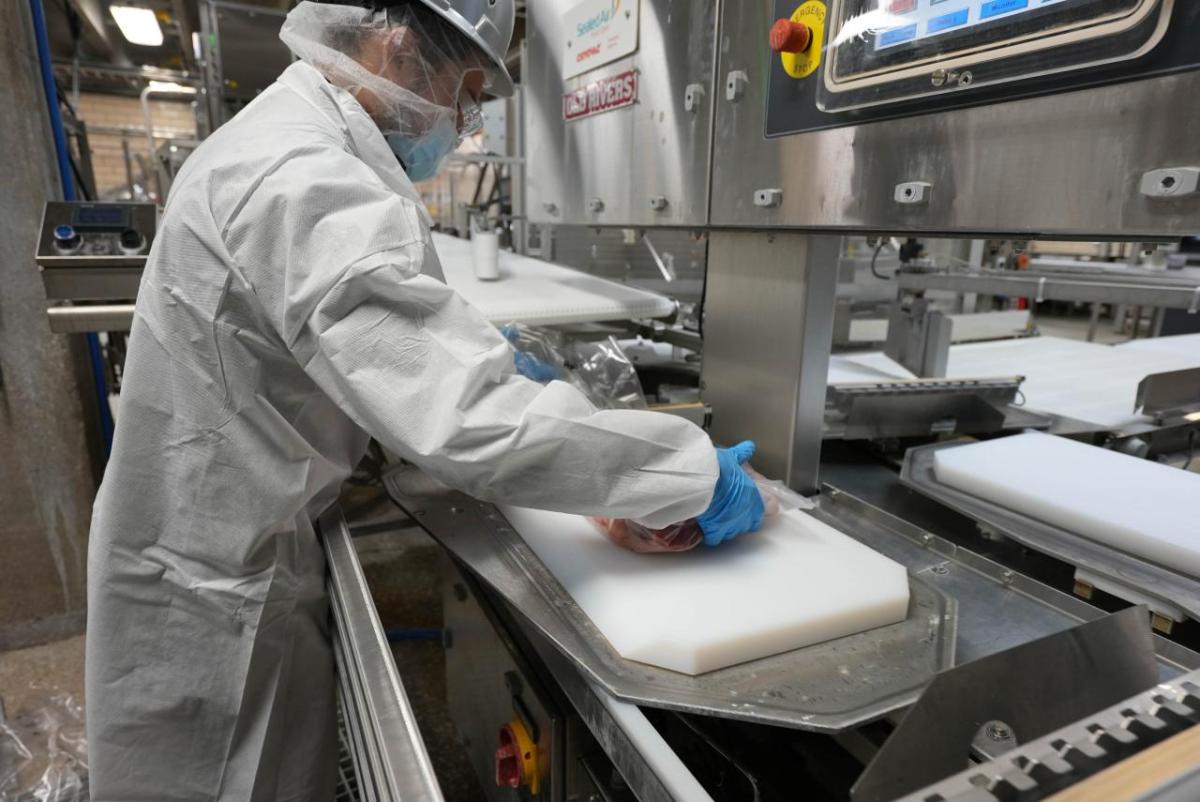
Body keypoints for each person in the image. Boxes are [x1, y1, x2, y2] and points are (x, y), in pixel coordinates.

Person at [84, 1, 763, 798]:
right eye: (467, 92)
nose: (466, 122)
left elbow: (361, 336)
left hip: (237, 537)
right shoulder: (304, 176)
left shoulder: (299, 138)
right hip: (212, 589)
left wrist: (494, 370)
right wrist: (693, 477)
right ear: (398, 47)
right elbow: (471, 422)